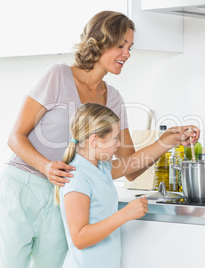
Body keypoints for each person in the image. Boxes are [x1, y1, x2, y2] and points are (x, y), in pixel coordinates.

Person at [0, 10, 200, 268]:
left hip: (64, 198)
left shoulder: (115, 100)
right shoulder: (56, 76)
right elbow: (15, 137)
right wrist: (46, 166)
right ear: (100, 42)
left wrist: (166, 140)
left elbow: (127, 167)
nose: (127, 54)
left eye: (130, 47)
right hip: (22, 188)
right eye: (121, 45)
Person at [57, 102, 150, 268]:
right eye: (115, 138)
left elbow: (135, 162)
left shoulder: (102, 168)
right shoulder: (76, 177)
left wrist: (169, 140)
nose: (119, 144)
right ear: (94, 141)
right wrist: (125, 214)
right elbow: (79, 238)